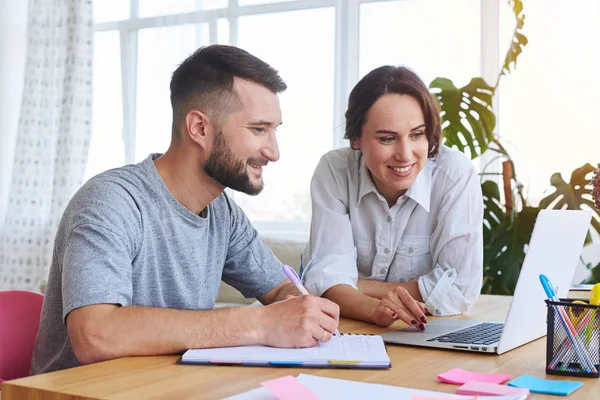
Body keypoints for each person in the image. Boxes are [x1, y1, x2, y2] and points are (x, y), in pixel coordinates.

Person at [31, 45, 339, 375]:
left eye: (275, 130)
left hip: (170, 387)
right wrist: (259, 323)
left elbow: (279, 288)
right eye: (258, 129)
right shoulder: (111, 202)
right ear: (199, 128)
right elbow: (95, 334)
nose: (274, 152)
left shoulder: (223, 213)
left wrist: (299, 307)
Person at [301, 66, 483, 329]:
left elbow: (458, 291)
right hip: (346, 329)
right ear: (356, 138)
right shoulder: (335, 171)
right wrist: (376, 308)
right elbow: (325, 283)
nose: (406, 154)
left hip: (422, 331)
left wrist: (356, 285)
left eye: (417, 135)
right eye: (387, 138)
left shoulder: (455, 175)